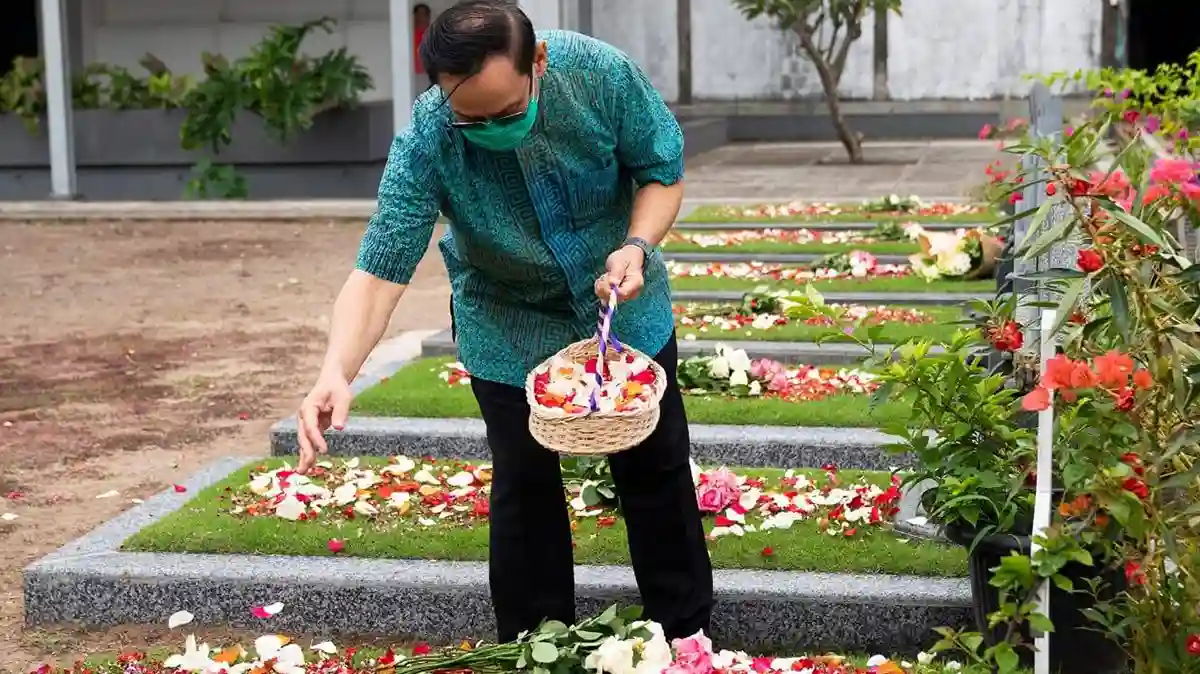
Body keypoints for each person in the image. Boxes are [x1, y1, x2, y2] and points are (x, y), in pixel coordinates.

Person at [294, 0, 713, 644]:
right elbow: (381, 267)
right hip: (506, 319)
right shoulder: (429, 137)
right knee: (524, 482)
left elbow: (661, 170)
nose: (490, 128)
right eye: (472, 120)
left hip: (623, 297)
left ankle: (684, 634)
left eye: (508, 113)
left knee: (655, 466)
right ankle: (537, 643)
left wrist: (636, 245)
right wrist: (335, 370)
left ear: (537, 63)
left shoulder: (598, 75)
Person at [413, 4, 432, 75]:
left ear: (428, 17)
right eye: (418, 14)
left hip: (428, 74)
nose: (420, 17)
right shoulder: (408, 34)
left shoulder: (433, 34)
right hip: (410, 73)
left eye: (423, 14)